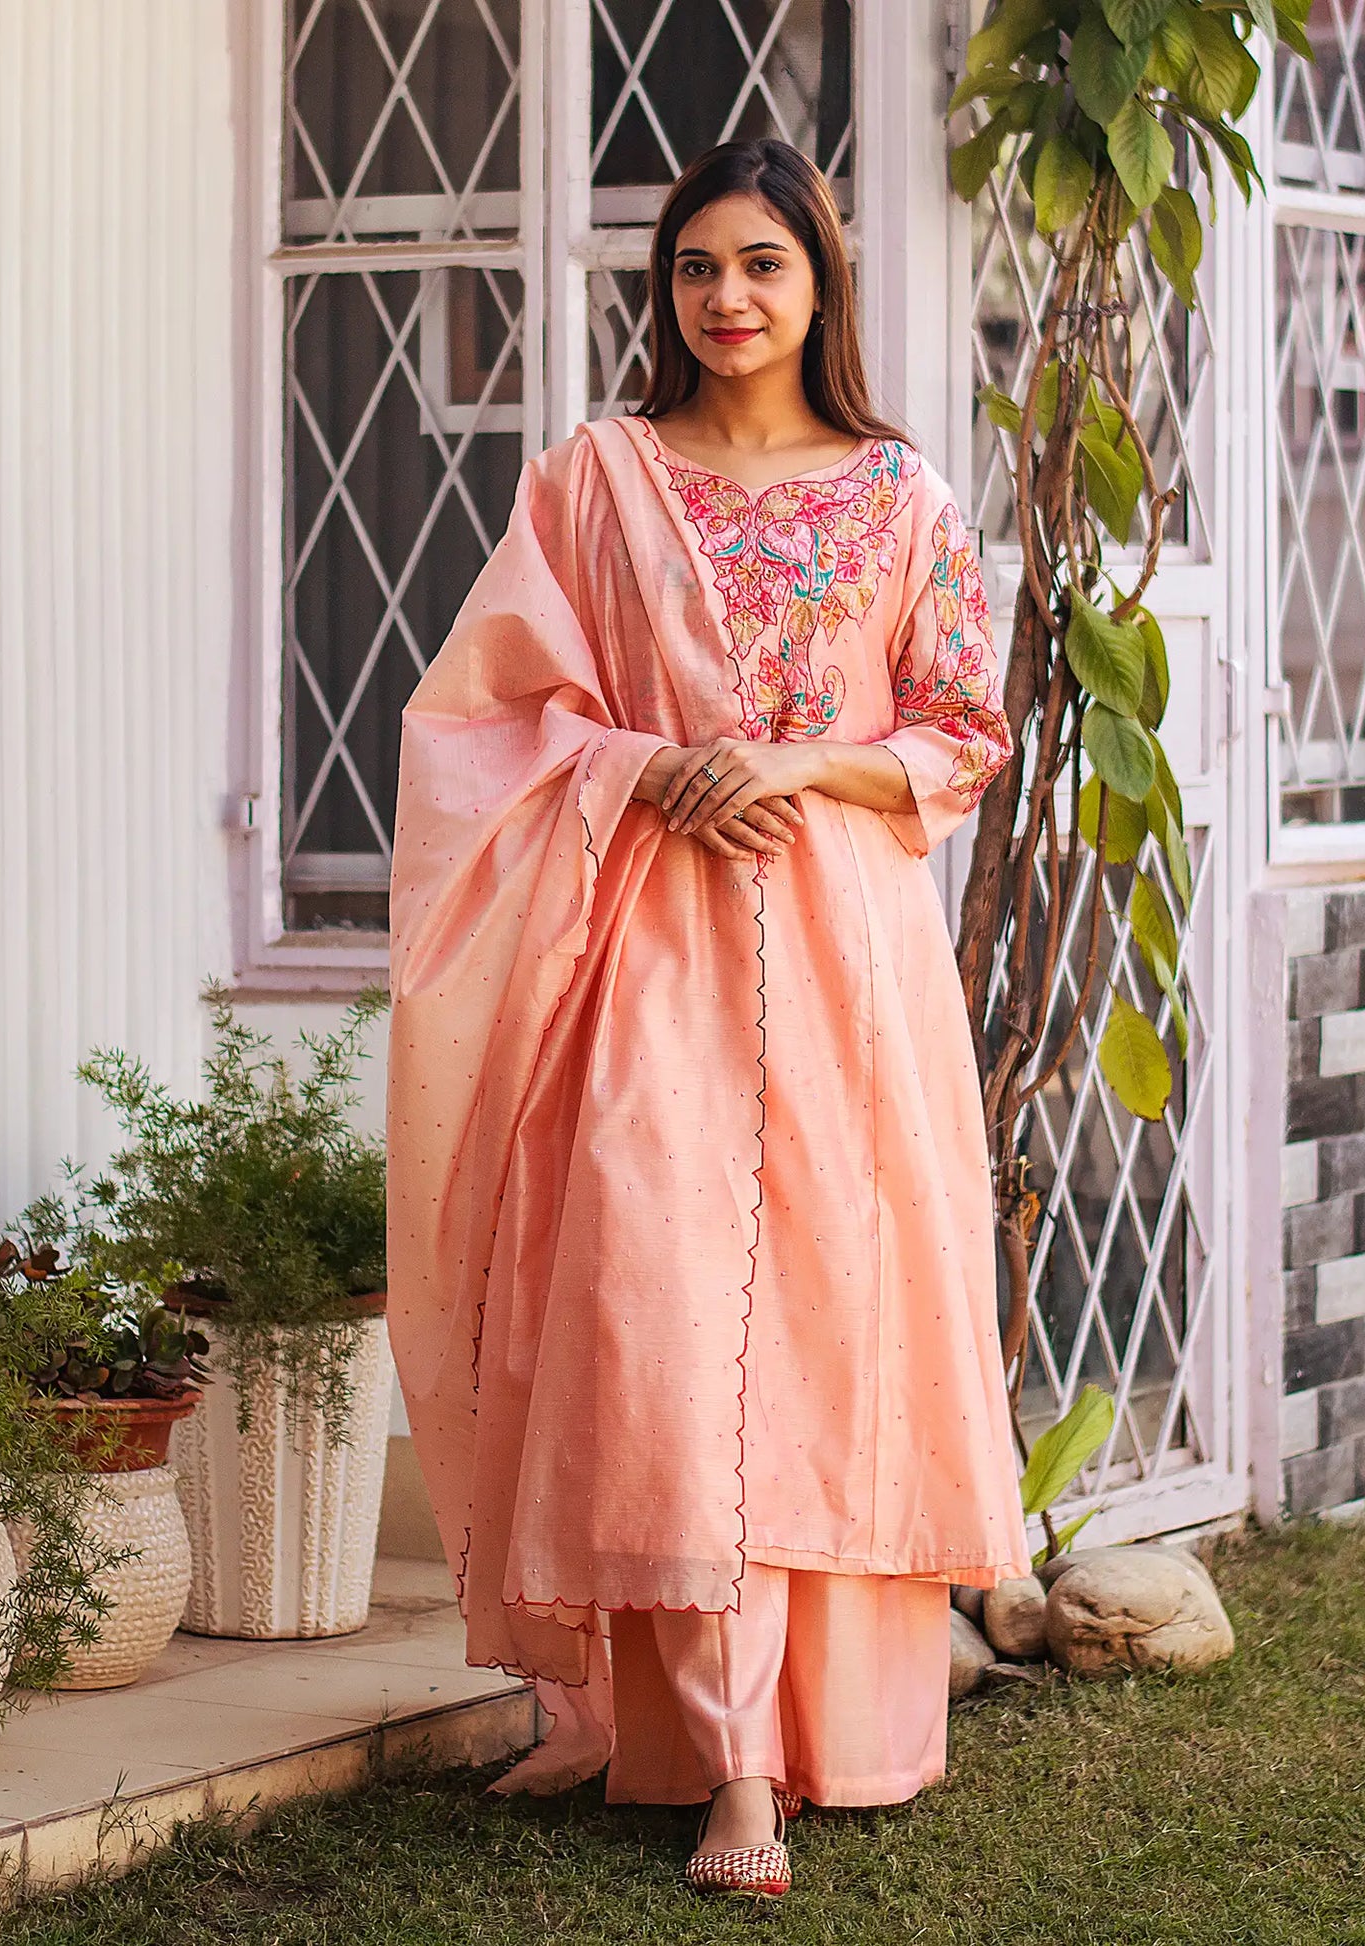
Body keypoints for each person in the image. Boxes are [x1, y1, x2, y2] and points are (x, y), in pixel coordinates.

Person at [386, 137, 1028, 1902]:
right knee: (664, 1321)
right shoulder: (596, 482)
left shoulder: (901, 495)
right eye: (692, 268)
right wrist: (652, 764)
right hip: (648, 951)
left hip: (845, 967)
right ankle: (710, 1750)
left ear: (819, 284)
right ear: (660, 291)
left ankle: (823, 1734)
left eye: (761, 265)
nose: (725, 298)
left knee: (826, 1328)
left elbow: (961, 729)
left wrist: (800, 760)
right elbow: (483, 720)